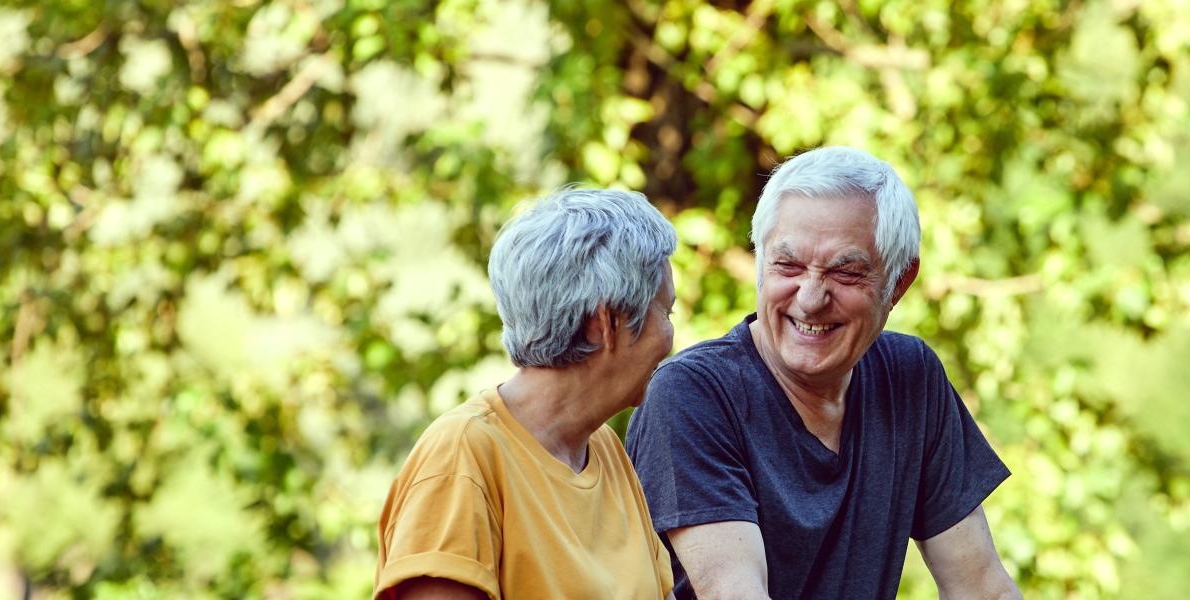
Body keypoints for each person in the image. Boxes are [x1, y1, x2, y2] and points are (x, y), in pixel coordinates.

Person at [624, 147, 1021, 599]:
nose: (811, 298)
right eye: (788, 266)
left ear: (899, 282)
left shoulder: (911, 377)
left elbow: (983, 587)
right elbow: (735, 593)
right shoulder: (694, 395)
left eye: (845, 272)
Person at [377, 188, 679, 600]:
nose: (670, 337)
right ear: (604, 322)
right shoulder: (461, 456)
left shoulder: (605, 449)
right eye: (667, 311)